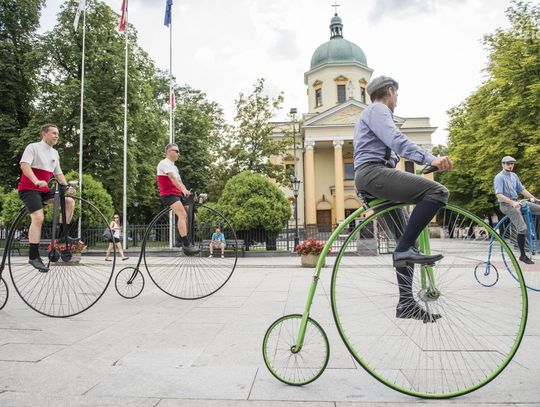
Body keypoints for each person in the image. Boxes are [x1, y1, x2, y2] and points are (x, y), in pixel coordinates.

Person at [353, 76, 452, 323]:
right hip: (374, 174)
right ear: (390, 91)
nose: (397, 99)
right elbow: (396, 140)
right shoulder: (378, 109)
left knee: (406, 241)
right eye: (396, 94)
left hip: (373, 178)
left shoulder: (372, 114)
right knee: (438, 192)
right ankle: (404, 250)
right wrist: (429, 158)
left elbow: (393, 147)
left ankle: (406, 303)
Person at [18, 123, 75, 272]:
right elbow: (24, 165)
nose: (57, 136)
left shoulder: (55, 153)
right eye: (54, 133)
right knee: (38, 218)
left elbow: (58, 174)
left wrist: (67, 187)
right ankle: (33, 256)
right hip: (29, 189)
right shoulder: (33, 147)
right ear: (44, 133)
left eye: (58, 134)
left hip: (44, 191)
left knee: (69, 202)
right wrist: (36, 180)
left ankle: (62, 237)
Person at [494, 156, 540, 264]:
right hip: (507, 205)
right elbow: (499, 195)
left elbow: (522, 190)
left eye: (512, 164)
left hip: (518, 202)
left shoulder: (514, 176)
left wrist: (535, 199)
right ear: (503, 164)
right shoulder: (499, 177)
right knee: (522, 228)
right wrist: (512, 203)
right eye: (508, 163)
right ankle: (522, 255)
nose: (510, 166)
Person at [157, 143, 199, 255]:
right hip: (169, 194)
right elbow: (171, 177)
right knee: (182, 215)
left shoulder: (175, 167)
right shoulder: (164, 163)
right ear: (168, 152)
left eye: (178, 151)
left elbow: (180, 181)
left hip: (178, 193)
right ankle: (186, 244)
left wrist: (187, 192)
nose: (178, 153)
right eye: (176, 151)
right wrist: (183, 190)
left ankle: (181, 238)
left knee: (191, 215)